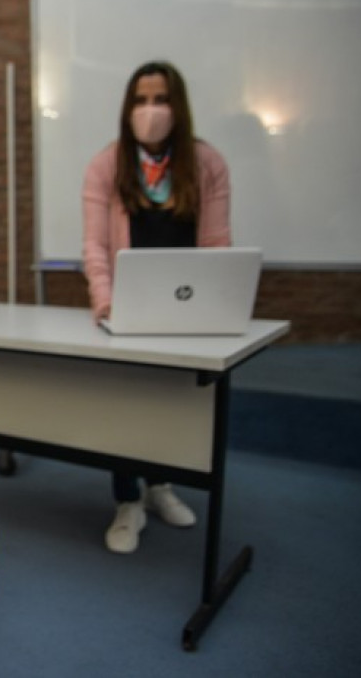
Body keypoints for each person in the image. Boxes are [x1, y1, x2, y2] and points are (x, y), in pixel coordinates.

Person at [82, 60, 231, 554]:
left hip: (184, 310)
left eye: (161, 100)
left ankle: (160, 486)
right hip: (127, 311)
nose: (150, 111)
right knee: (125, 402)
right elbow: (95, 246)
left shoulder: (206, 163)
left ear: (178, 106)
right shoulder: (108, 164)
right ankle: (127, 501)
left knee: (171, 400)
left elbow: (216, 241)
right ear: (128, 109)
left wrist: (215, 304)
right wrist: (104, 300)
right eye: (141, 101)